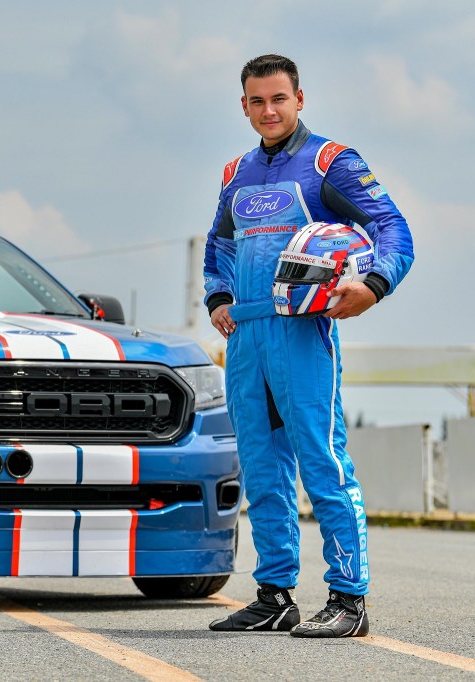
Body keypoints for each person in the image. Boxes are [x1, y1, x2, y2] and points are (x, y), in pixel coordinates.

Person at [202, 54, 414, 638]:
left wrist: (374, 284)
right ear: (243, 106)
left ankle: (349, 599)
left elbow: (393, 228)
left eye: (278, 99)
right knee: (262, 468)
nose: (268, 111)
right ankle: (275, 595)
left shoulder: (331, 163)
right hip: (245, 338)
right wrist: (217, 297)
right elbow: (218, 246)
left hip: (303, 332)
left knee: (322, 461)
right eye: (256, 102)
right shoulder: (234, 173)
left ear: (300, 99)